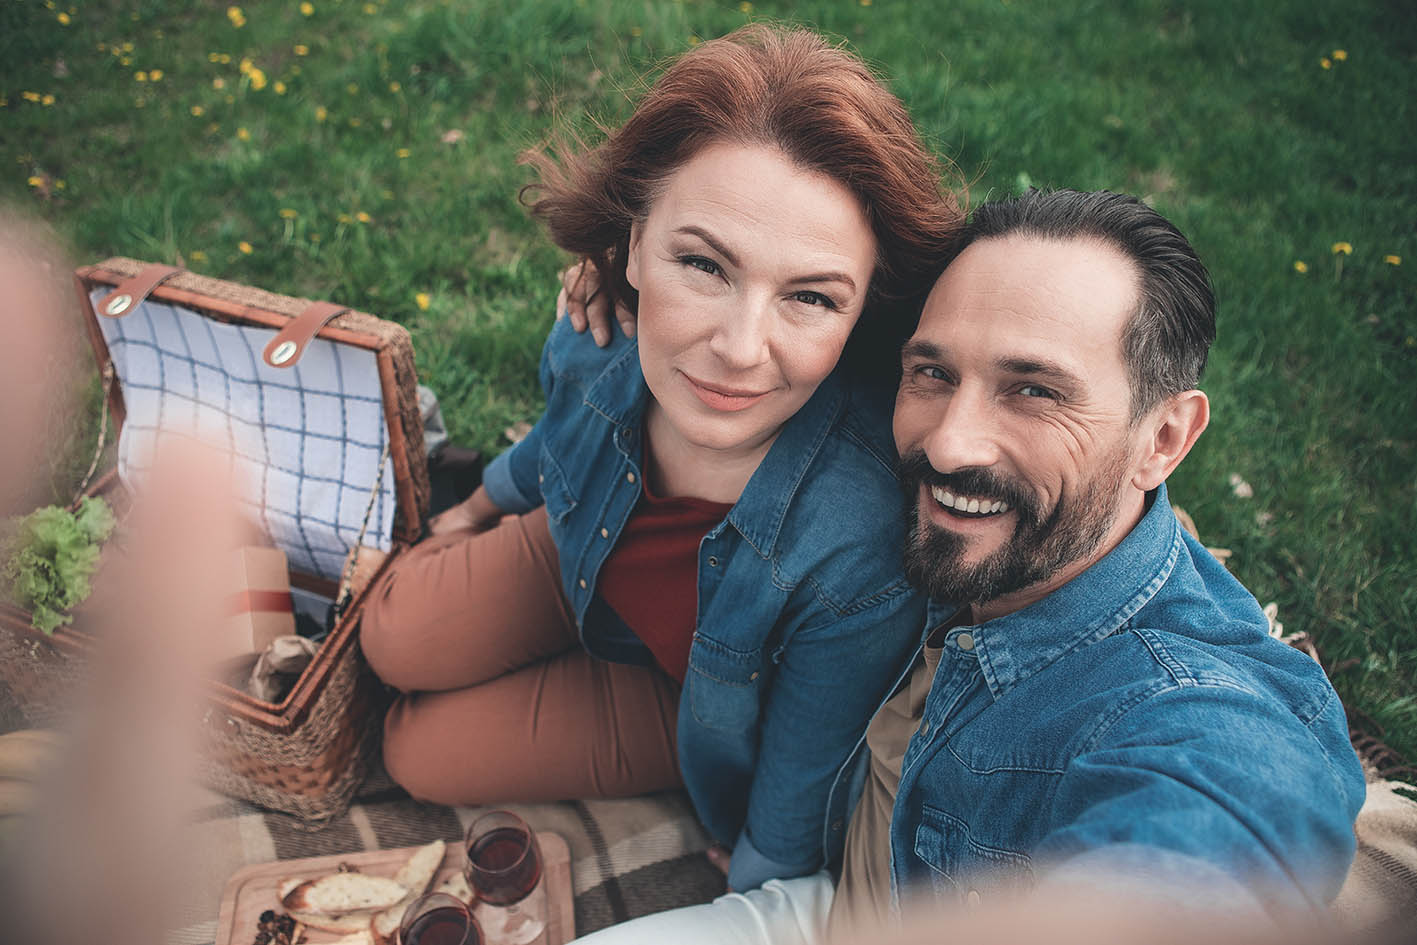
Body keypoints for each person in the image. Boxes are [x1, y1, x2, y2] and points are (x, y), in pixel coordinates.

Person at [562, 189, 1366, 944]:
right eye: (935, 373)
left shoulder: (1185, 705)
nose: (947, 443)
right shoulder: (926, 480)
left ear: (1162, 440)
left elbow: (1223, 831)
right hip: (826, 899)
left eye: (1035, 391)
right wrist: (628, 287)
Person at [358, 25, 961, 893]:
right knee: (387, 634)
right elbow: (559, 435)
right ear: (633, 243)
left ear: (865, 312)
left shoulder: (857, 546)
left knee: (411, 750)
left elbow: (808, 764)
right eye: (704, 265)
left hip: (684, 698)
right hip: (575, 555)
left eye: (810, 296)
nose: (739, 348)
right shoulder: (604, 328)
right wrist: (481, 502)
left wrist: (762, 870)